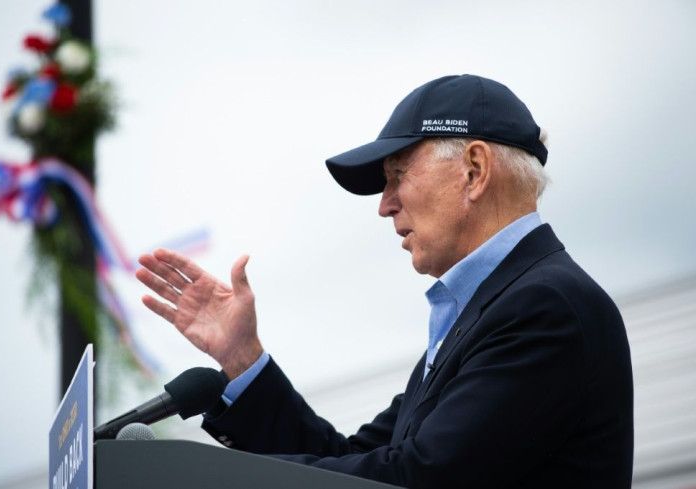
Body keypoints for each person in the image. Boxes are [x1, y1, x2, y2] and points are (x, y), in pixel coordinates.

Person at [136, 74, 634, 488]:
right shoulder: (498, 311)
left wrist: (201, 479)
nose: (384, 204)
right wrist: (242, 359)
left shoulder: (543, 307)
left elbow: (414, 480)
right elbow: (352, 463)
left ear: (475, 170)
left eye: (398, 174)